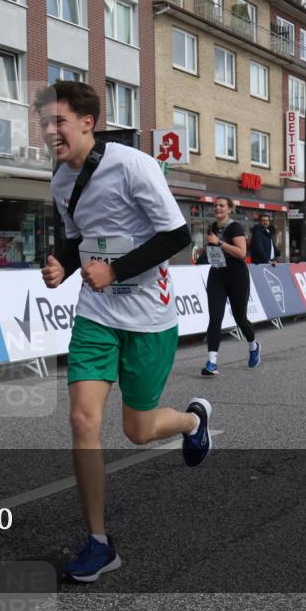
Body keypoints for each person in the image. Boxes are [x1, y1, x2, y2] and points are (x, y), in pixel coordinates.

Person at [37, 81, 210, 583]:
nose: (51, 131)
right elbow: (77, 241)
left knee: (138, 430)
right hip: (96, 315)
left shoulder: (133, 164)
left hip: (149, 317)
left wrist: (115, 270)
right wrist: (61, 267)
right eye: (46, 123)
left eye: (59, 121)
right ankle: (97, 541)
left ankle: (192, 422)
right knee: (81, 419)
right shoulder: (59, 183)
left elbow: (177, 235)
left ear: (88, 122)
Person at [202, 196, 260, 376]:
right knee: (215, 318)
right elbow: (213, 251)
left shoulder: (235, 227)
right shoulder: (212, 227)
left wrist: (219, 242)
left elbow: (241, 253)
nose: (217, 208)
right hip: (217, 274)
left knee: (239, 317)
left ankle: (253, 345)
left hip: (237, 276)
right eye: (215, 205)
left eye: (221, 205)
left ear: (229, 209)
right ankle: (212, 361)